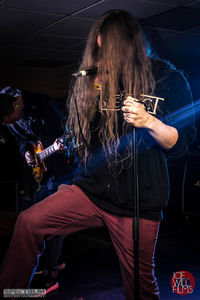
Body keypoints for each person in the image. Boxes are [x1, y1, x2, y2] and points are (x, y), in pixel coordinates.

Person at [0, 9, 196, 300]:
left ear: (129, 45)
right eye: (98, 49)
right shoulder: (96, 79)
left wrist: (149, 122)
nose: (102, 57)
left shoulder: (166, 78)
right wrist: (87, 103)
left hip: (137, 201)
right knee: (29, 222)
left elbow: (180, 143)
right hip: (91, 191)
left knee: (141, 288)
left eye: (110, 50)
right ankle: (11, 294)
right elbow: (82, 137)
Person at [0, 87, 77, 294]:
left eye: (10, 118)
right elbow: (21, 140)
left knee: (52, 220)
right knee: (35, 220)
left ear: (17, 104)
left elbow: (68, 131)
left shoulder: (43, 103)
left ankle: (51, 273)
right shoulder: (11, 116)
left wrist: (62, 146)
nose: (10, 123)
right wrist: (26, 153)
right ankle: (46, 266)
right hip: (43, 173)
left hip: (63, 169)